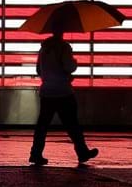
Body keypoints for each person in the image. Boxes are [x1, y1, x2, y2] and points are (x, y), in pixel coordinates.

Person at [29, 30, 98, 166]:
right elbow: (70, 67)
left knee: (42, 125)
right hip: (62, 91)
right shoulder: (64, 47)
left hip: (47, 91)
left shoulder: (44, 48)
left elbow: (38, 70)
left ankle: (35, 154)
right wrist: (73, 63)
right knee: (72, 123)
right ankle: (82, 152)